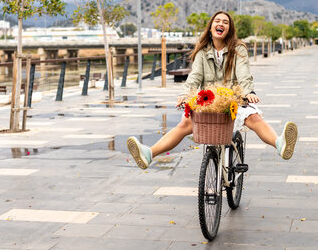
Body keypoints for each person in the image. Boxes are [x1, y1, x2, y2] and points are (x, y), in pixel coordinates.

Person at [127, 11, 297, 170]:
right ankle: (149, 154)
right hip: (208, 100)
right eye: (217, 21)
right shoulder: (202, 51)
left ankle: (280, 144)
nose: (220, 23)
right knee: (185, 124)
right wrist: (185, 94)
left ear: (229, 30)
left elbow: (244, 74)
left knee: (254, 118)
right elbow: (195, 77)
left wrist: (248, 93)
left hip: (233, 99)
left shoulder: (238, 49)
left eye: (225, 22)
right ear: (211, 27)